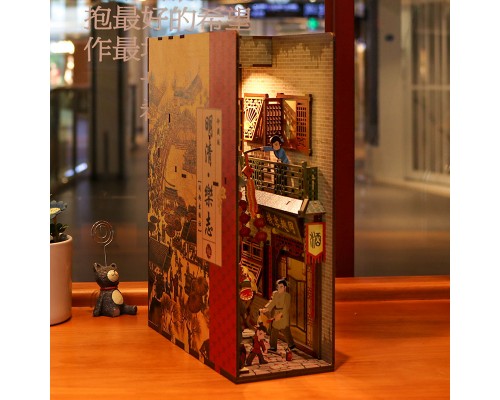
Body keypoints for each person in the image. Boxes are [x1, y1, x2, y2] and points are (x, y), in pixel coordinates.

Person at [260, 278, 296, 351]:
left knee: (285, 329)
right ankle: (273, 346)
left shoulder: (287, 296)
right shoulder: (275, 294)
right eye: (278, 287)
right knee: (274, 330)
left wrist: (280, 315)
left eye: (281, 287)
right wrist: (266, 309)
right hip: (276, 312)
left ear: (285, 287)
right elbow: (272, 302)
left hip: (283, 315)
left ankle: (291, 344)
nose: (279, 288)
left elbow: (286, 307)